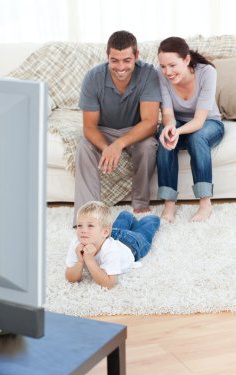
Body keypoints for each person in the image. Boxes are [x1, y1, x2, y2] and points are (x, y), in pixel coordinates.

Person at [73, 30, 161, 226]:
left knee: (148, 146)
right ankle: (87, 216)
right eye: (115, 61)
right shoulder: (93, 77)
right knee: (84, 148)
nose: (121, 67)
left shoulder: (148, 74)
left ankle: (140, 204)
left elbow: (150, 123)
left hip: (135, 130)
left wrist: (119, 144)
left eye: (127, 60)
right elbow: (89, 127)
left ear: (136, 56)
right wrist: (107, 147)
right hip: (104, 129)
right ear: (108, 57)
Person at [156, 36, 224, 223]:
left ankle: (204, 203)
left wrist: (177, 131)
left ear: (186, 60)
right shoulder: (160, 74)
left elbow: (200, 120)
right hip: (178, 122)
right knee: (164, 136)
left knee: (197, 138)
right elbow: (168, 113)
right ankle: (169, 205)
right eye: (163, 66)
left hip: (208, 123)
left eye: (172, 65)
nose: (167, 71)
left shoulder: (207, 72)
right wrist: (170, 128)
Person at [65, 201, 160, 288]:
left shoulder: (111, 250)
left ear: (105, 232)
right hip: (112, 234)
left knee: (147, 226)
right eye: (79, 225)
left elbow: (109, 283)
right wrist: (80, 261)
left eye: (90, 226)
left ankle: (151, 218)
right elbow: (70, 278)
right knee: (123, 218)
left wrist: (90, 261)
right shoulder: (77, 242)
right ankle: (127, 215)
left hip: (131, 243)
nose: (83, 230)